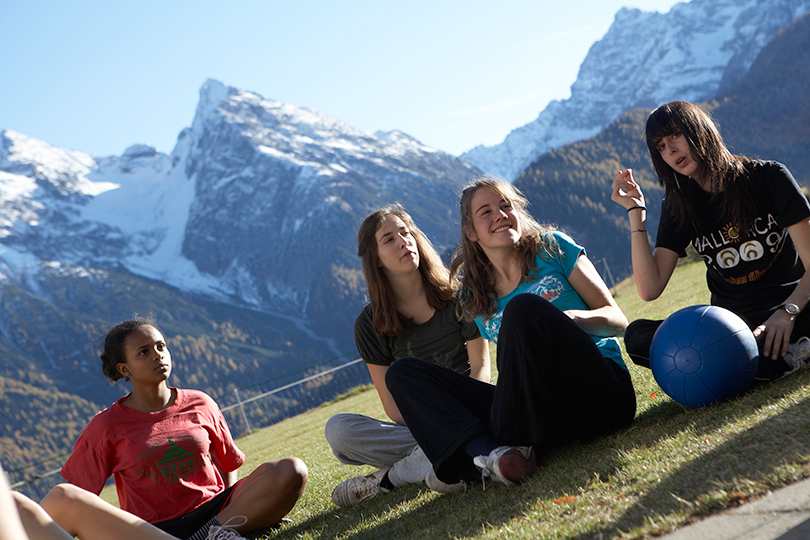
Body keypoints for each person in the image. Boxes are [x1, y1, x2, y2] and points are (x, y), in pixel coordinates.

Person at [385, 177, 636, 488]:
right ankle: (489, 454)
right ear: (471, 232)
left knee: (523, 310)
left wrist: (567, 320)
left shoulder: (552, 248)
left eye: (506, 206)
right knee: (402, 374)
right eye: (486, 211)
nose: (501, 215)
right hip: (544, 415)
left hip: (601, 396)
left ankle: (479, 453)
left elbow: (618, 320)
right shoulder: (473, 298)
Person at [610, 100, 810, 381]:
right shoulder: (679, 205)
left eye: (675, 136)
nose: (671, 150)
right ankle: (774, 358)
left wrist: (787, 312)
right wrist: (635, 212)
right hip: (730, 325)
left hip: (791, 306)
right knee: (638, 336)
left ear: (699, 130)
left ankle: (750, 363)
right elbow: (650, 288)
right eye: (660, 147)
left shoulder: (768, 177)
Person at [60, 318, 308, 540]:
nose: (158, 355)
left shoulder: (201, 402)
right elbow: (75, 497)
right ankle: (232, 530)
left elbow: (227, 464)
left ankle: (215, 533)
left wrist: (230, 508)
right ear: (125, 369)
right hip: (151, 531)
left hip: (215, 513)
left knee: (291, 470)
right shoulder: (105, 426)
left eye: (161, 346)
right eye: (144, 352)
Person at [325, 204, 490, 506]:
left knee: (496, 409)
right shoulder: (369, 324)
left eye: (406, 233)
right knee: (338, 430)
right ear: (375, 260)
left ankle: (388, 479)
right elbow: (392, 405)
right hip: (418, 426)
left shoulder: (457, 294)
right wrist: (434, 425)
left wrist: (458, 415)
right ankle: (458, 450)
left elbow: (480, 368)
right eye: (389, 239)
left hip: (472, 407)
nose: (404, 241)